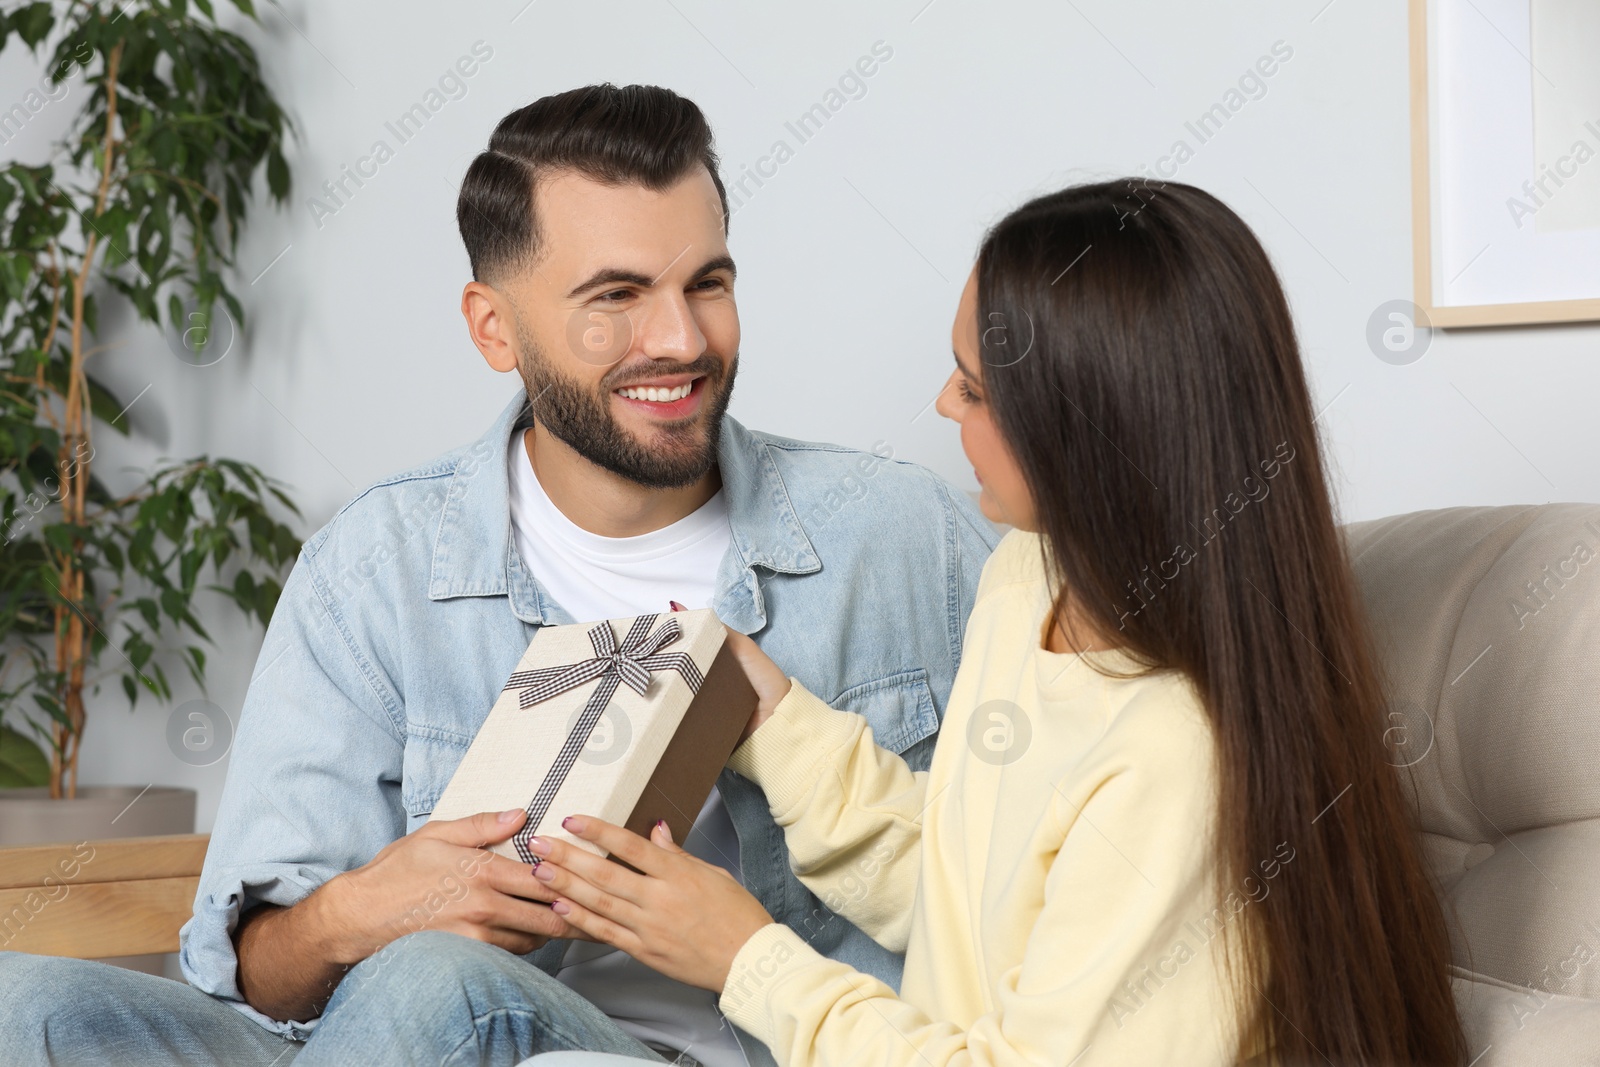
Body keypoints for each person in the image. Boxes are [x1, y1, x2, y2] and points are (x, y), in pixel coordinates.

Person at [0, 85, 998, 1067]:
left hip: (723, 1041)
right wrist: (356, 910)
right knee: (21, 1001)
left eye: (707, 283)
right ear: (494, 328)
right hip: (388, 1045)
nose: (682, 340)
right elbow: (255, 982)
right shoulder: (376, 564)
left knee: (439, 981)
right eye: (616, 296)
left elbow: (1057, 875)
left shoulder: (907, 535)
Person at [517, 180, 1471, 1066]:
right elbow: (968, 898)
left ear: (1083, 428)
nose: (942, 403)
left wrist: (745, 957)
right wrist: (770, 719)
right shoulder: (1032, 579)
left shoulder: (1175, 758)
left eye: (973, 388)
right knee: (445, 982)